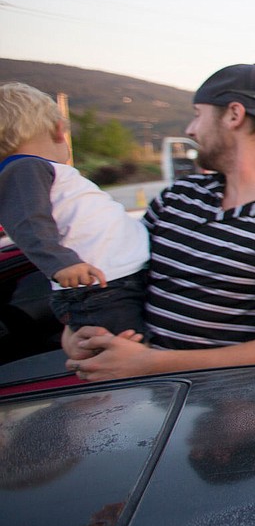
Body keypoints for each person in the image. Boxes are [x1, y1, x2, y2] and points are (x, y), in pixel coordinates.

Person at [63, 64, 255, 381]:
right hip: (143, 408)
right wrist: (76, 332)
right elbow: (120, 274)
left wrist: (148, 363)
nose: (191, 129)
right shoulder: (179, 196)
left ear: (234, 115)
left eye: (198, 114)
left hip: (228, 420)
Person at [0, 83, 150, 337]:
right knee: (124, 356)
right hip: (102, 288)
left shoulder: (35, 170)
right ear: (58, 130)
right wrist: (61, 264)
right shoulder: (25, 168)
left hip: (114, 282)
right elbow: (28, 221)